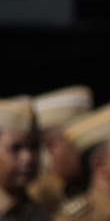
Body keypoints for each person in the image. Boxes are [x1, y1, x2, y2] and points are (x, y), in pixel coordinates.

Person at [27, 85, 94, 214]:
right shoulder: (36, 198)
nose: (88, 150)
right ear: (50, 147)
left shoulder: (89, 186)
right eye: (79, 143)